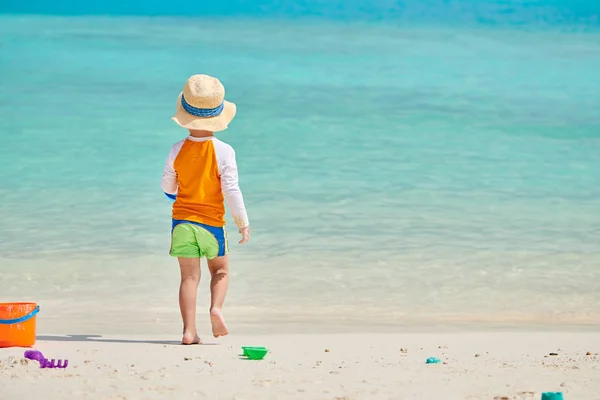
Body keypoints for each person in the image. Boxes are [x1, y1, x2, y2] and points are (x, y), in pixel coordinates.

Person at [161, 74, 250, 344]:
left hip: (182, 224)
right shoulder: (224, 151)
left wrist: (178, 192)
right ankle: (216, 308)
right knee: (220, 271)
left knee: (189, 277)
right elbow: (231, 191)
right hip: (212, 223)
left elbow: (167, 186)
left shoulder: (177, 149)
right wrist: (242, 222)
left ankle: (189, 331)